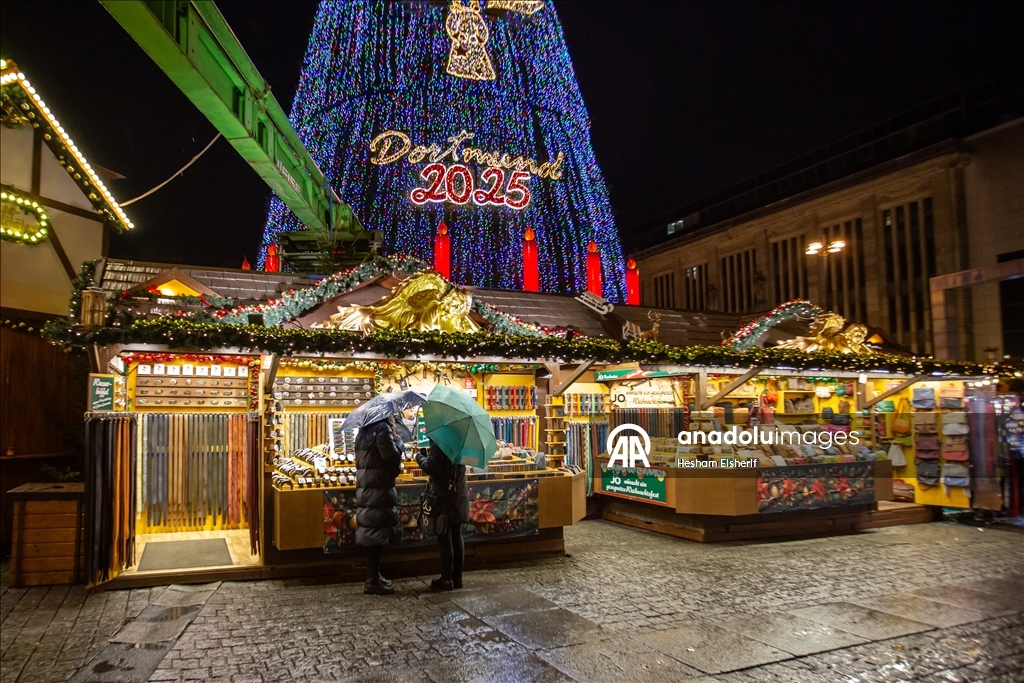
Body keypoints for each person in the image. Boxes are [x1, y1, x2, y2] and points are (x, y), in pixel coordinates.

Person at [354, 415, 404, 595]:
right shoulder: (382, 429)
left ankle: (374, 576)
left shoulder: (362, 431)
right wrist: (399, 444)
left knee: (371, 533)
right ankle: (372, 581)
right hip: (379, 489)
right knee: (375, 534)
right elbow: (391, 461)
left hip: (367, 487)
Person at [415, 440, 469, 591]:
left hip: (444, 495)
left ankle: (446, 579)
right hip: (459, 492)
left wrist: (419, 457)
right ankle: (457, 578)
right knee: (456, 534)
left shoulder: (441, 441)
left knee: (444, 534)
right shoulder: (461, 439)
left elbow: (432, 467)